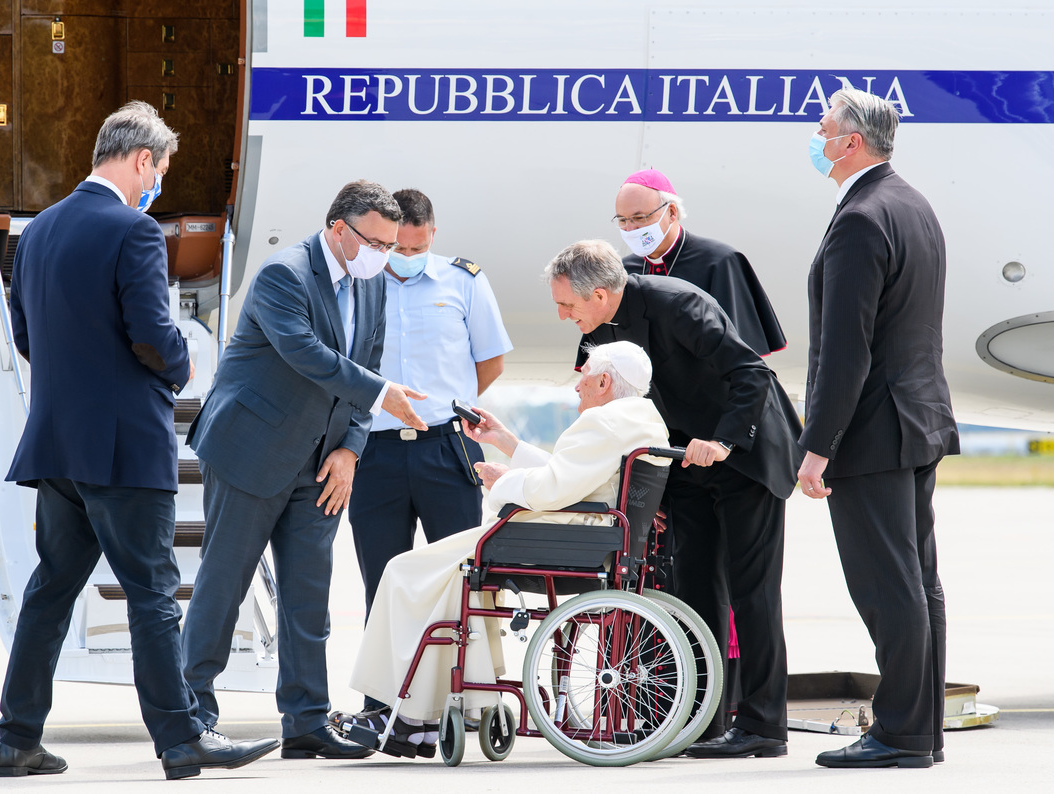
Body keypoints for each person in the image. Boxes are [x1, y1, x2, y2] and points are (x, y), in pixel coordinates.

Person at [0, 101, 278, 780]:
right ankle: (182, 740)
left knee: (52, 589)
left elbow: (25, 338)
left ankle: (17, 738)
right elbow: (153, 335)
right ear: (143, 159)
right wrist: (179, 366)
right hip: (121, 446)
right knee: (153, 591)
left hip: (57, 445)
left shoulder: (36, 234)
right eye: (163, 168)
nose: (161, 183)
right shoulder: (135, 231)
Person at [182, 180, 427, 761]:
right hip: (252, 450)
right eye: (376, 243)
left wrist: (352, 450)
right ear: (339, 230)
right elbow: (309, 356)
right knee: (224, 586)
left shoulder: (372, 286)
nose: (384, 257)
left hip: (323, 463)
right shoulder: (284, 275)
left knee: (308, 597)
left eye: (393, 246)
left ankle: (307, 721)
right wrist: (384, 394)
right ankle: (192, 720)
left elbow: (365, 366)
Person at [340, 341, 670, 754]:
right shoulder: (641, 419)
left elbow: (553, 487)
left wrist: (503, 480)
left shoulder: (601, 422)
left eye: (583, 376)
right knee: (445, 575)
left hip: (558, 540)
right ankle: (431, 713)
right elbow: (574, 476)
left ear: (604, 381)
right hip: (592, 539)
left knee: (405, 571)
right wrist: (509, 444)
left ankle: (409, 714)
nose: (576, 386)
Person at [548, 240, 801, 758]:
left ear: (598, 294)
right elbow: (600, 401)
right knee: (693, 591)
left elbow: (752, 374)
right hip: (684, 459)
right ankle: (702, 720)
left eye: (567, 305)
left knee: (753, 593)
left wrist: (724, 442)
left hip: (743, 453)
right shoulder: (594, 327)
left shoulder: (679, 303)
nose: (561, 316)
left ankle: (764, 726)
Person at [800, 89, 958, 770]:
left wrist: (817, 446)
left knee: (888, 586)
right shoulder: (911, 204)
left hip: (873, 430)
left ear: (852, 143)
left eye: (825, 128)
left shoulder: (861, 218)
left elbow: (846, 350)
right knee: (918, 581)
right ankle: (922, 730)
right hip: (918, 419)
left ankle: (899, 734)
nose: (817, 136)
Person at [347, 188, 512, 712]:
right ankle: (383, 705)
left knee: (463, 577)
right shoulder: (359, 282)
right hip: (375, 452)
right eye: (400, 248)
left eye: (417, 250)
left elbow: (490, 362)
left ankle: (464, 697)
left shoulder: (465, 280)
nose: (407, 258)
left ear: (433, 236)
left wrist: (447, 403)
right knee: (383, 578)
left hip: (446, 447)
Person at [607, 168, 785, 356]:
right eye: (622, 220)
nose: (630, 228)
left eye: (639, 218)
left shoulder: (720, 262)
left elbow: (739, 354)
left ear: (672, 212)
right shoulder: (623, 271)